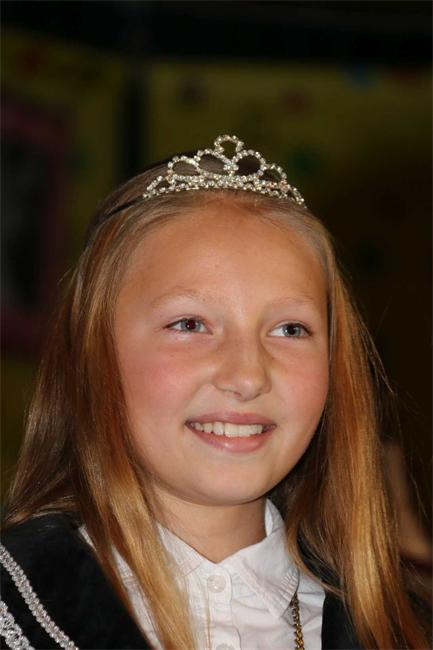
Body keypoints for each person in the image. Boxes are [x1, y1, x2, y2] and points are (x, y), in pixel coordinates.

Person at [0, 135, 428, 650]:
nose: (248, 376)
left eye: (290, 329)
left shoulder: (402, 628)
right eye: (190, 324)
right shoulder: (19, 609)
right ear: (92, 354)